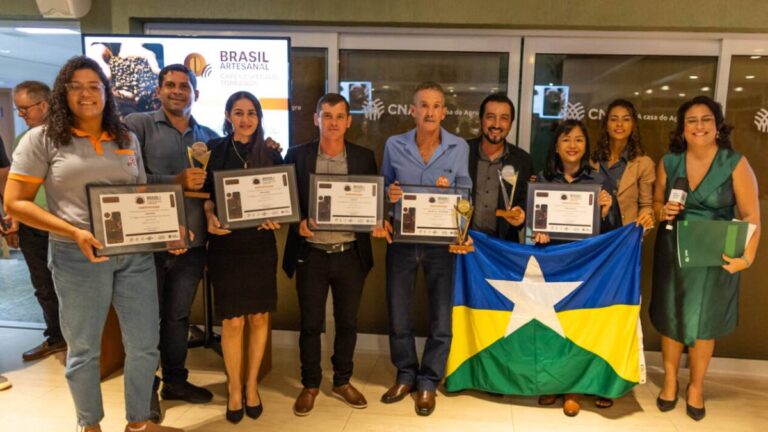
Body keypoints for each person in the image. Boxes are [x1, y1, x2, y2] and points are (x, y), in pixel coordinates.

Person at [4, 55, 182, 432]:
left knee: (145, 343)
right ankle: (90, 425)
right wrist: (73, 232)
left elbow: (139, 192)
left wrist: (167, 226)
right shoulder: (42, 139)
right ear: (62, 93)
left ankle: (138, 422)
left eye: (94, 86)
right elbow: (14, 202)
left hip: (132, 254)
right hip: (77, 255)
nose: (86, 94)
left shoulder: (126, 136)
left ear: (106, 92)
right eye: (76, 87)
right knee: (84, 349)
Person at [650, 95, 760, 421]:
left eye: (706, 119)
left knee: (703, 323)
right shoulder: (669, 162)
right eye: (692, 121)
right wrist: (662, 210)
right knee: (672, 318)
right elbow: (655, 204)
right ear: (682, 129)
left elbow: (751, 213)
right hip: (673, 250)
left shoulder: (735, 163)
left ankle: (695, 386)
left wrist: (748, 256)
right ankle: (670, 381)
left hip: (714, 254)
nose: (699, 126)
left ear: (717, 126)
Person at [125, 64, 218, 418]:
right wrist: (175, 180)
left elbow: (213, 189)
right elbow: (129, 177)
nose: (178, 91)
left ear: (196, 93)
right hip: (148, 244)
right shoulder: (138, 126)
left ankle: (176, 381)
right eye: (170, 85)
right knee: (145, 320)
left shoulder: (208, 136)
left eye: (185, 86)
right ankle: (145, 391)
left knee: (178, 317)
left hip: (192, 246)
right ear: (159, 90)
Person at [283, 93, 381, 416]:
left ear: (349, 121)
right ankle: (310, 384)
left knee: (347, 323)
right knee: (310, 324)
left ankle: (342, 380)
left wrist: (377, 219)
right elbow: (287, 201)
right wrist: (298, 223)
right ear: (316, 119)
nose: (334, 123)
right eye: (327, 116)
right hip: (311, 254)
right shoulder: (297, 155)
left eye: (340, 116)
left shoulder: (364, 157)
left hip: (349, 254)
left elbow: (372, 204)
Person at [380, 82, 471, 416]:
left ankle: (429, 380)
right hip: (402, 243)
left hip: (441, 246)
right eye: (423, 105)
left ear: (444, 112)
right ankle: (405, 373)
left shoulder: (459, 147)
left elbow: (465, 197)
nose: (430, 112)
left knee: (440, 317)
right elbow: (385, 187)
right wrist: (388, 202)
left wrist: (460, 225)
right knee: (399, 313)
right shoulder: (394, 145)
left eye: (436, 106)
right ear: (412, 111)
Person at [202, 91, 280, 423]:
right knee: (233, 321)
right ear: (228, 115)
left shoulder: (272, 154)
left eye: (252, 113)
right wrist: (209, 215)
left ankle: (252, 386)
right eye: (238, 112)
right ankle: (234, 387)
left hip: (261, 245)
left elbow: (280, 198)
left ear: (259, 117)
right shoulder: (214, 152)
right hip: (227, 245)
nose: (246, 119)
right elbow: (205, 197)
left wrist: (277, 216)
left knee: (260, 318)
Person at [532, 119, 613, 417]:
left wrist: (605, 211)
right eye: (566, 139)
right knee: (552, 325)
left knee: (577, 326)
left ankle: (574, 387)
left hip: (584, 266)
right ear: (556, 145)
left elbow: (609, 234)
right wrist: (535, 232)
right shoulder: (542, 180)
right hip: (550, 263)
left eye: (579, 139)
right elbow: (531, 229)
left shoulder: (597, 183)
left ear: (586, 146)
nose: (572, 145)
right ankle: (553, 382)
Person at [589, 98, 656, 408]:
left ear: (633, 124)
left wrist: (646, 220)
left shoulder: (643, 163)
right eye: (613, 118)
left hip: (621, 252)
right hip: (591, 248)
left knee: (616, 315)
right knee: (588, 312)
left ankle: (609, 382)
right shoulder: (591, 159)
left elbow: (647, 207)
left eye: (625, 119)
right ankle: (584, 375)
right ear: (606, 124)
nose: (619, 124)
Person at [8, 81, 68, 362]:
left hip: (65, 225)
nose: (22, 115)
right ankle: (56, 338)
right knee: (43, 284)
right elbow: (15, 188)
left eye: (24, 109)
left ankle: (84, 342)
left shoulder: (69, 136)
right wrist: (14, 220)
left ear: (43, 105)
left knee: (72, 285)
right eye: (18, 110)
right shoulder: (24, 141)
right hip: (33, 224)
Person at [467, 93, 532, 241]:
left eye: (504, 118)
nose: (496, 124)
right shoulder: (463, 151)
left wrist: (521, 214)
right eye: (490, 117)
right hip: (464, 244)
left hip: (501, 248)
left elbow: (526, 199)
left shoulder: (523, 160)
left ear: (511, 123)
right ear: (480, 120)